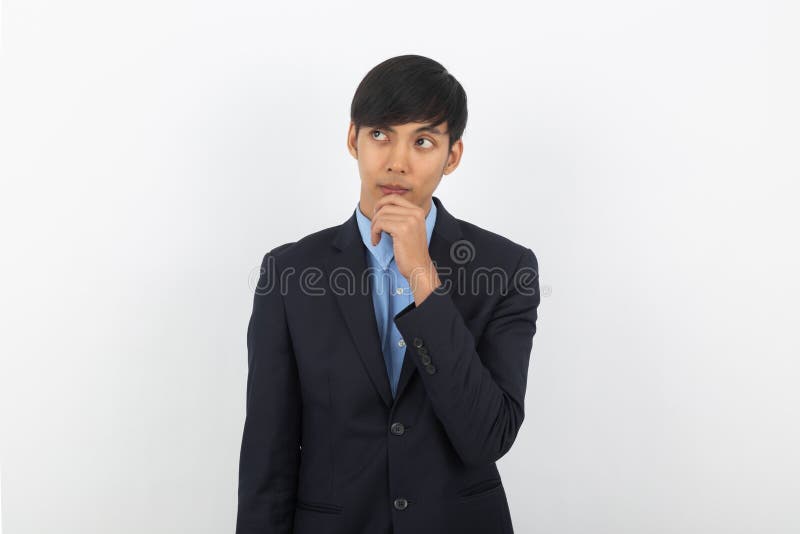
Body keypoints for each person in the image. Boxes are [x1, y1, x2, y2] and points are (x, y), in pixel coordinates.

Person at [236, 54, 541, 534]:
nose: (397, 162)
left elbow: (488, 438)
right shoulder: (291, 272)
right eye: (380, 134)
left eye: (422, 141)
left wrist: (422, 275)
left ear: (452, 156)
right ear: (352, 139)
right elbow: (267, 454)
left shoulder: (506, 269)